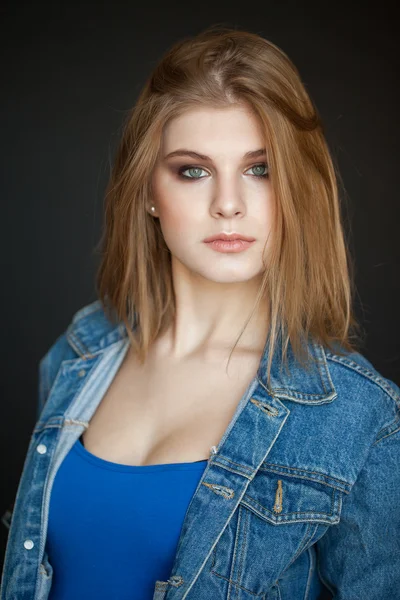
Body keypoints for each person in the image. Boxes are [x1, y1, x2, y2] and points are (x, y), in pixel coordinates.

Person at [1, 24, 399, 600]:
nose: (229, 204)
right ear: (146, 191)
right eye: (194, 170)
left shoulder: (359, 417)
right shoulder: (80, 354)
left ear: (297, 189)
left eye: (260, 169)